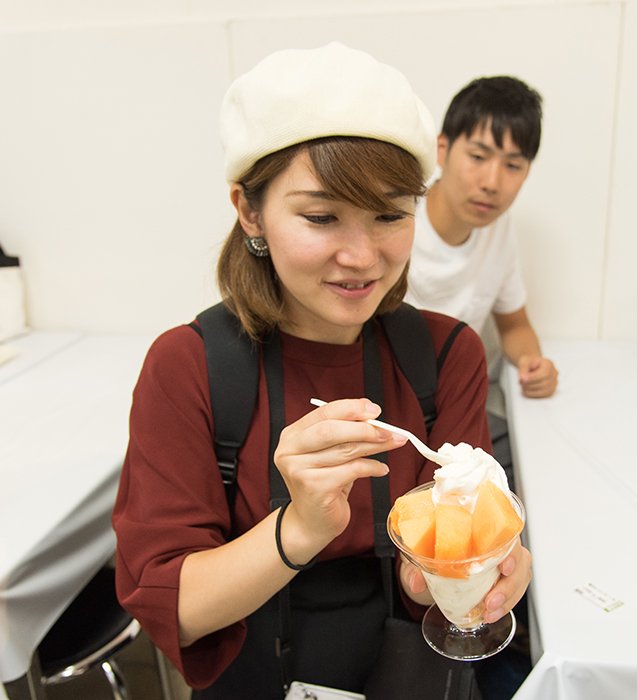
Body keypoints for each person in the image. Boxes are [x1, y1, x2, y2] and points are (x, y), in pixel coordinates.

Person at [112, 43, 531, 699]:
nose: (361, 256)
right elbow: (173, 608)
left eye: (390, 214)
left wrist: (466, 570)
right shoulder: (189, 366)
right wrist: (300, 526)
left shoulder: (446, 355)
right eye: (321, 216)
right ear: (250, 211)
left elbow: (437, 559)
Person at [405, 76, 558, 401]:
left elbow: (515, 325)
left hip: (457, 400)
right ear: (441, 149)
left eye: (513, 165)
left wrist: (533, 364)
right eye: (477, 156)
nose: (492, 182)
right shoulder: (397, 222)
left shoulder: (498, 228)